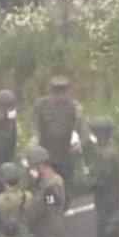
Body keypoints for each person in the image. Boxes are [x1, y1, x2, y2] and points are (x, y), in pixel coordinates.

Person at [32, 76, 86, 208]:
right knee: (45, 187)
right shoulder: (41, 106)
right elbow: (35, 127)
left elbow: (82, 127)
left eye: (63, 92)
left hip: (66, 155)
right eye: (56, 93)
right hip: (47, 156)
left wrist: (79, 141)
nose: (60, 96)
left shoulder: (74, 107)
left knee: (65, 187)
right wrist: (35, 147)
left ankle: (63, 208)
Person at [85, 117, 119, 237]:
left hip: (105, 197)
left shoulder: (103, 155)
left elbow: (100, 179)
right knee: (115, 228)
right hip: (113, 194)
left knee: (105, 235)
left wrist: (87, 179)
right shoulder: (113, 149)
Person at [26, 146, 66, 237]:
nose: (32, 171)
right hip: (44, 232)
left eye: (33, 167)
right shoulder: (44, 183)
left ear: (41, 166)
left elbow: (44, 208)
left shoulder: (52, 186)